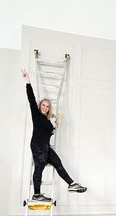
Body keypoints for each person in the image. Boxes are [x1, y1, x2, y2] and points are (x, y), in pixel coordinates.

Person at [21, 69, 87, 202]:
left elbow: (49, 131)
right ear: (40, 106)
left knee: (57, 162)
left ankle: (71, 184)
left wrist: (55, 125)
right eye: (43, 105)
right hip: (37, 145)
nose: (45, 107)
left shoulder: (47, 121)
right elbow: (31, 99)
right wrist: (28, 81)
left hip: (45, 146)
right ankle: (37, 194)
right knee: (39, 167)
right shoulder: (36, 114)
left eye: (47, 106)